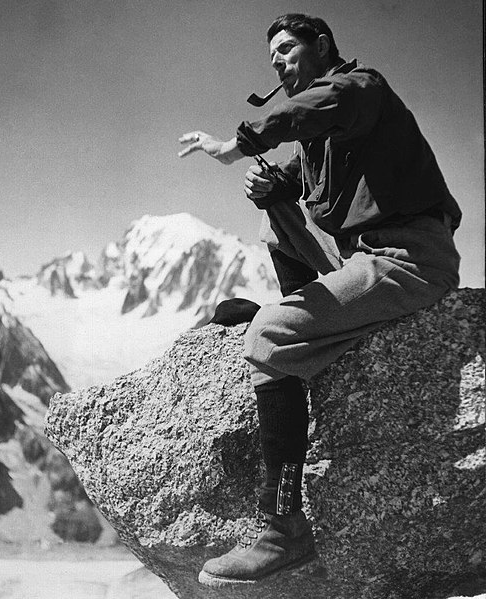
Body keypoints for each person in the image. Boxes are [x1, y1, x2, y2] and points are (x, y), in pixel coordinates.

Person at [178, 13, 461, 588]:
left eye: (287, 50)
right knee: (274, 223)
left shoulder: (362, 89)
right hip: (363, 259)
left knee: (265, 336)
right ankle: (309, 324)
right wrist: (273, 187)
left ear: (323, 45)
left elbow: (322, 106)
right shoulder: (322, 136)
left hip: (406, 258)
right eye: (273, 58)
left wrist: (240, 144)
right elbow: (309, 181)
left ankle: (283, 531)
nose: (280, 63)